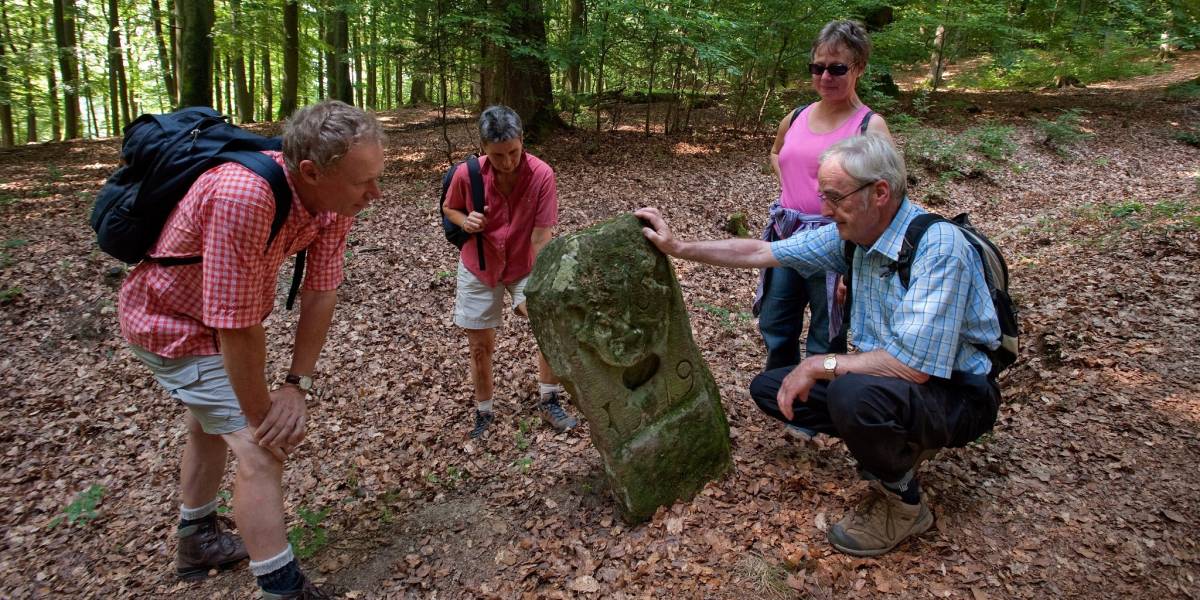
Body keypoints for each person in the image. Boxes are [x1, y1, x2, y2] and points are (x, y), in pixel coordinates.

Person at [635, 133, 1001, 557]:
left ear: (879, 193)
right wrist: (678, 248)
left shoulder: (939, 248)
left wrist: (817, 365)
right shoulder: (853, 237)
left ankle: (904, 505)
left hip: (958, 392)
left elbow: (914, 366)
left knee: (848, 390)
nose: (824, 209)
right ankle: (902, 442)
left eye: (834, 197)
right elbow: (762, 251)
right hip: (896, 384)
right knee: (772, 388)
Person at [118, 100, 385, 599]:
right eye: (361, 181)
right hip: (170, 324)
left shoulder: (332, 202)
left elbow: (321, 289)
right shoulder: (245, 194)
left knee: (210, 425)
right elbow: (236, 328)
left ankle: (196, 540)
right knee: (261, 452)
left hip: (214, 324)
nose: (375, 193)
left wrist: (297, 384)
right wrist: (266, 417)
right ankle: (282, 588)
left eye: (376, 176)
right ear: (310, 170)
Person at [759, 19, 892, 376]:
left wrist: (860, 262)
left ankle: (815, 404)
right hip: (786, 234)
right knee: (776, 321)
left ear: (859, 67)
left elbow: (887, 199)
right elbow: (777, 153)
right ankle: (778, 390)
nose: (825, 77)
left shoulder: (869, 127)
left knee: (826, 329)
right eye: (817, 68)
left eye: (837, 68)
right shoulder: (797, 116)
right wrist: (795, 186)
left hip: (837, 240)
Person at [442, 105, 578, 438]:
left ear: (523, 140)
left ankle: (549, 399)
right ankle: (484, 413)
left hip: (524, 262)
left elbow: (541, 237)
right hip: (479, 264)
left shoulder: (542, 174)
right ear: (484, 148)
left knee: (546, 319)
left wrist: (544, 288)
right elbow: (450, 207)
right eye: (498, 155)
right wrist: (466, 220)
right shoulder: (467, 174)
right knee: (479, 345)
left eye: (513, 152)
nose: (507, 162)